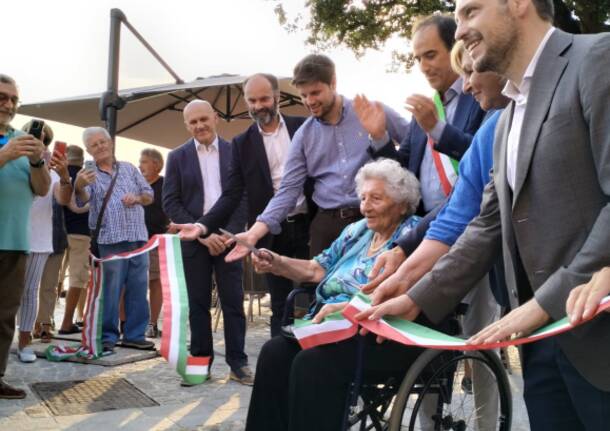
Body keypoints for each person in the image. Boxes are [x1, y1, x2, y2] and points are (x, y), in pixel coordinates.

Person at [359, 1, 610, 429]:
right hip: (541, 344)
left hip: (595, 339)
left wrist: (543, 305)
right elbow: (487, 226)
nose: (459, 31)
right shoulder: (506, 116)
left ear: (518, 4)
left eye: (470, 12)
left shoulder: (596, 58)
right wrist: (415, 299)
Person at [245, 159, 425, 431]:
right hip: (330, 329)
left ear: (401, 204)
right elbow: (317, 269)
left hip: (379, 335)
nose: (366, 206)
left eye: (376, 198)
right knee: (275, 352)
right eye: (363, 198)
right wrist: (277, 262)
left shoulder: (415, 235)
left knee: (312, 364)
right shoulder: (357, 231)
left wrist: (347, 309)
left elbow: (408, 295)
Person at [216, 54, 410, 261]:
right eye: (304, 95)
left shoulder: (371, 111)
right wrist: (253, 233)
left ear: (333, 82)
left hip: (379, 219)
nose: (309, 101)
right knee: (321, 291)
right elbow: (288, 190)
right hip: (328, 227)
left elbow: (416, 146)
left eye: (315, 93)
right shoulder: (303, 136)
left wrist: (381, 138)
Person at [171, 74, 311, 337]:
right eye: (252, 100)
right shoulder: (241, 143)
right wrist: (202, 226)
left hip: (311, 226)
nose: (259, 106)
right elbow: (232, 195)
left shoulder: (304, 127)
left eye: (264, 98)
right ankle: (279, 369)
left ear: (277, 97)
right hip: (271, 231)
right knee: (280, 304)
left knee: (317, 297)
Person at [163, 100, 251, 385]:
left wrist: (230, 233)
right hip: (194, 242)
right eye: (193, 122)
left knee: (234, 303)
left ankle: (238, 365)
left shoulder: (235, 151)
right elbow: (170, 201)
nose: (200, 125)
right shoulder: (176, 157)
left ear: (215, 118)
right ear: (186, 125)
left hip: (229, 240)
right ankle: (200, 364)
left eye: (204, 119)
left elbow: (243, 196)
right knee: (198, 304)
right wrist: (202, 234)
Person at [361, 14, 485, 214]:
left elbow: (483, 155)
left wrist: (437, 129)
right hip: (426, 223)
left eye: (430, 55)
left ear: (455, 49)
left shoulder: (481, 97)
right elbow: (402, 172)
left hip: (471, 216)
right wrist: (380, 137)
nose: (423, 68)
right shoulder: (423, 110)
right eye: (418, 59)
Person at [74, 127, 154, 355]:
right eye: (94, 145)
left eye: (102, 142)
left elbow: (149, 194)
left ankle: (134, 335)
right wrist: (78, 186)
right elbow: (83, 199)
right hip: (110, 238)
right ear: (88, 150)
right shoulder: (88, 174)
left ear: (110, 143)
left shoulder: (129, 168)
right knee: (110, 289)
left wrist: (138, 198)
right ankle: (107, 336)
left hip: (138, 236)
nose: (100, 147)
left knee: (139, 287)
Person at [0, 74, 50, 398]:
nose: (8, 104)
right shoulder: (12, 145)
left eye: (13, 99)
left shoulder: (24, 139)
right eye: (2, 97)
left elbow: (42, 188)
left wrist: (36, 161)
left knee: (4, 318)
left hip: (15, 241)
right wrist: (6, 155)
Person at [17, 121, 72, 363]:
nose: (38, 142)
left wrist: (65, 177)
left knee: (29, 292)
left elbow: (62, 199)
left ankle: (24, 343)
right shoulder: (10, 155)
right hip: (9, 233)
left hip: (38, 236)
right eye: (32, 136)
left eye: (44, 139)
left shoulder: (52, 165)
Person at [59, 145, 90, 332]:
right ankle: (71, 320)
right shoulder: (86, 177)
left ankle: (45, 321)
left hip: (57, 233)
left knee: (56, 277)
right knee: (78, 279)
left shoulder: (58, 174)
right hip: (80, 232)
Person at [139, 148, 169, 338]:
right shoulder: (136, 184)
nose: (139, 165)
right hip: (134, 241)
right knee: (132, 283)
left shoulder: (166, 185)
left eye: (144, 161)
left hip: (156, 241)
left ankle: (152, 323)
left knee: (155, 282)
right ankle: (128, 324)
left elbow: (174, 208)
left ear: (156, 165)